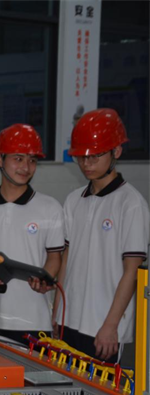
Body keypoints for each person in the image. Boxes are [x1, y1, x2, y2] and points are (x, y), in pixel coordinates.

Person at [54, 108, 149, 362]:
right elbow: (66, 261)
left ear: (116, 152)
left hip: (102, 329)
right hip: (68, 322)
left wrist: (111, 325)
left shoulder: (131, 204)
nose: (86, 164)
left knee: (97, 389)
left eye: (95, 156)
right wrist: (56, 314)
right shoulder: (73, 200)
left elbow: (132, 271)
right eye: (81, 157)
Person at [0, 124, 65, 345]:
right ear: (0, 159)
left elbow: (55, 257)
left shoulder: (50, 208)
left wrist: (45, 278)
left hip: (34, 322)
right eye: (18, 159)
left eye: (32, 160)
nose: (26, 167)